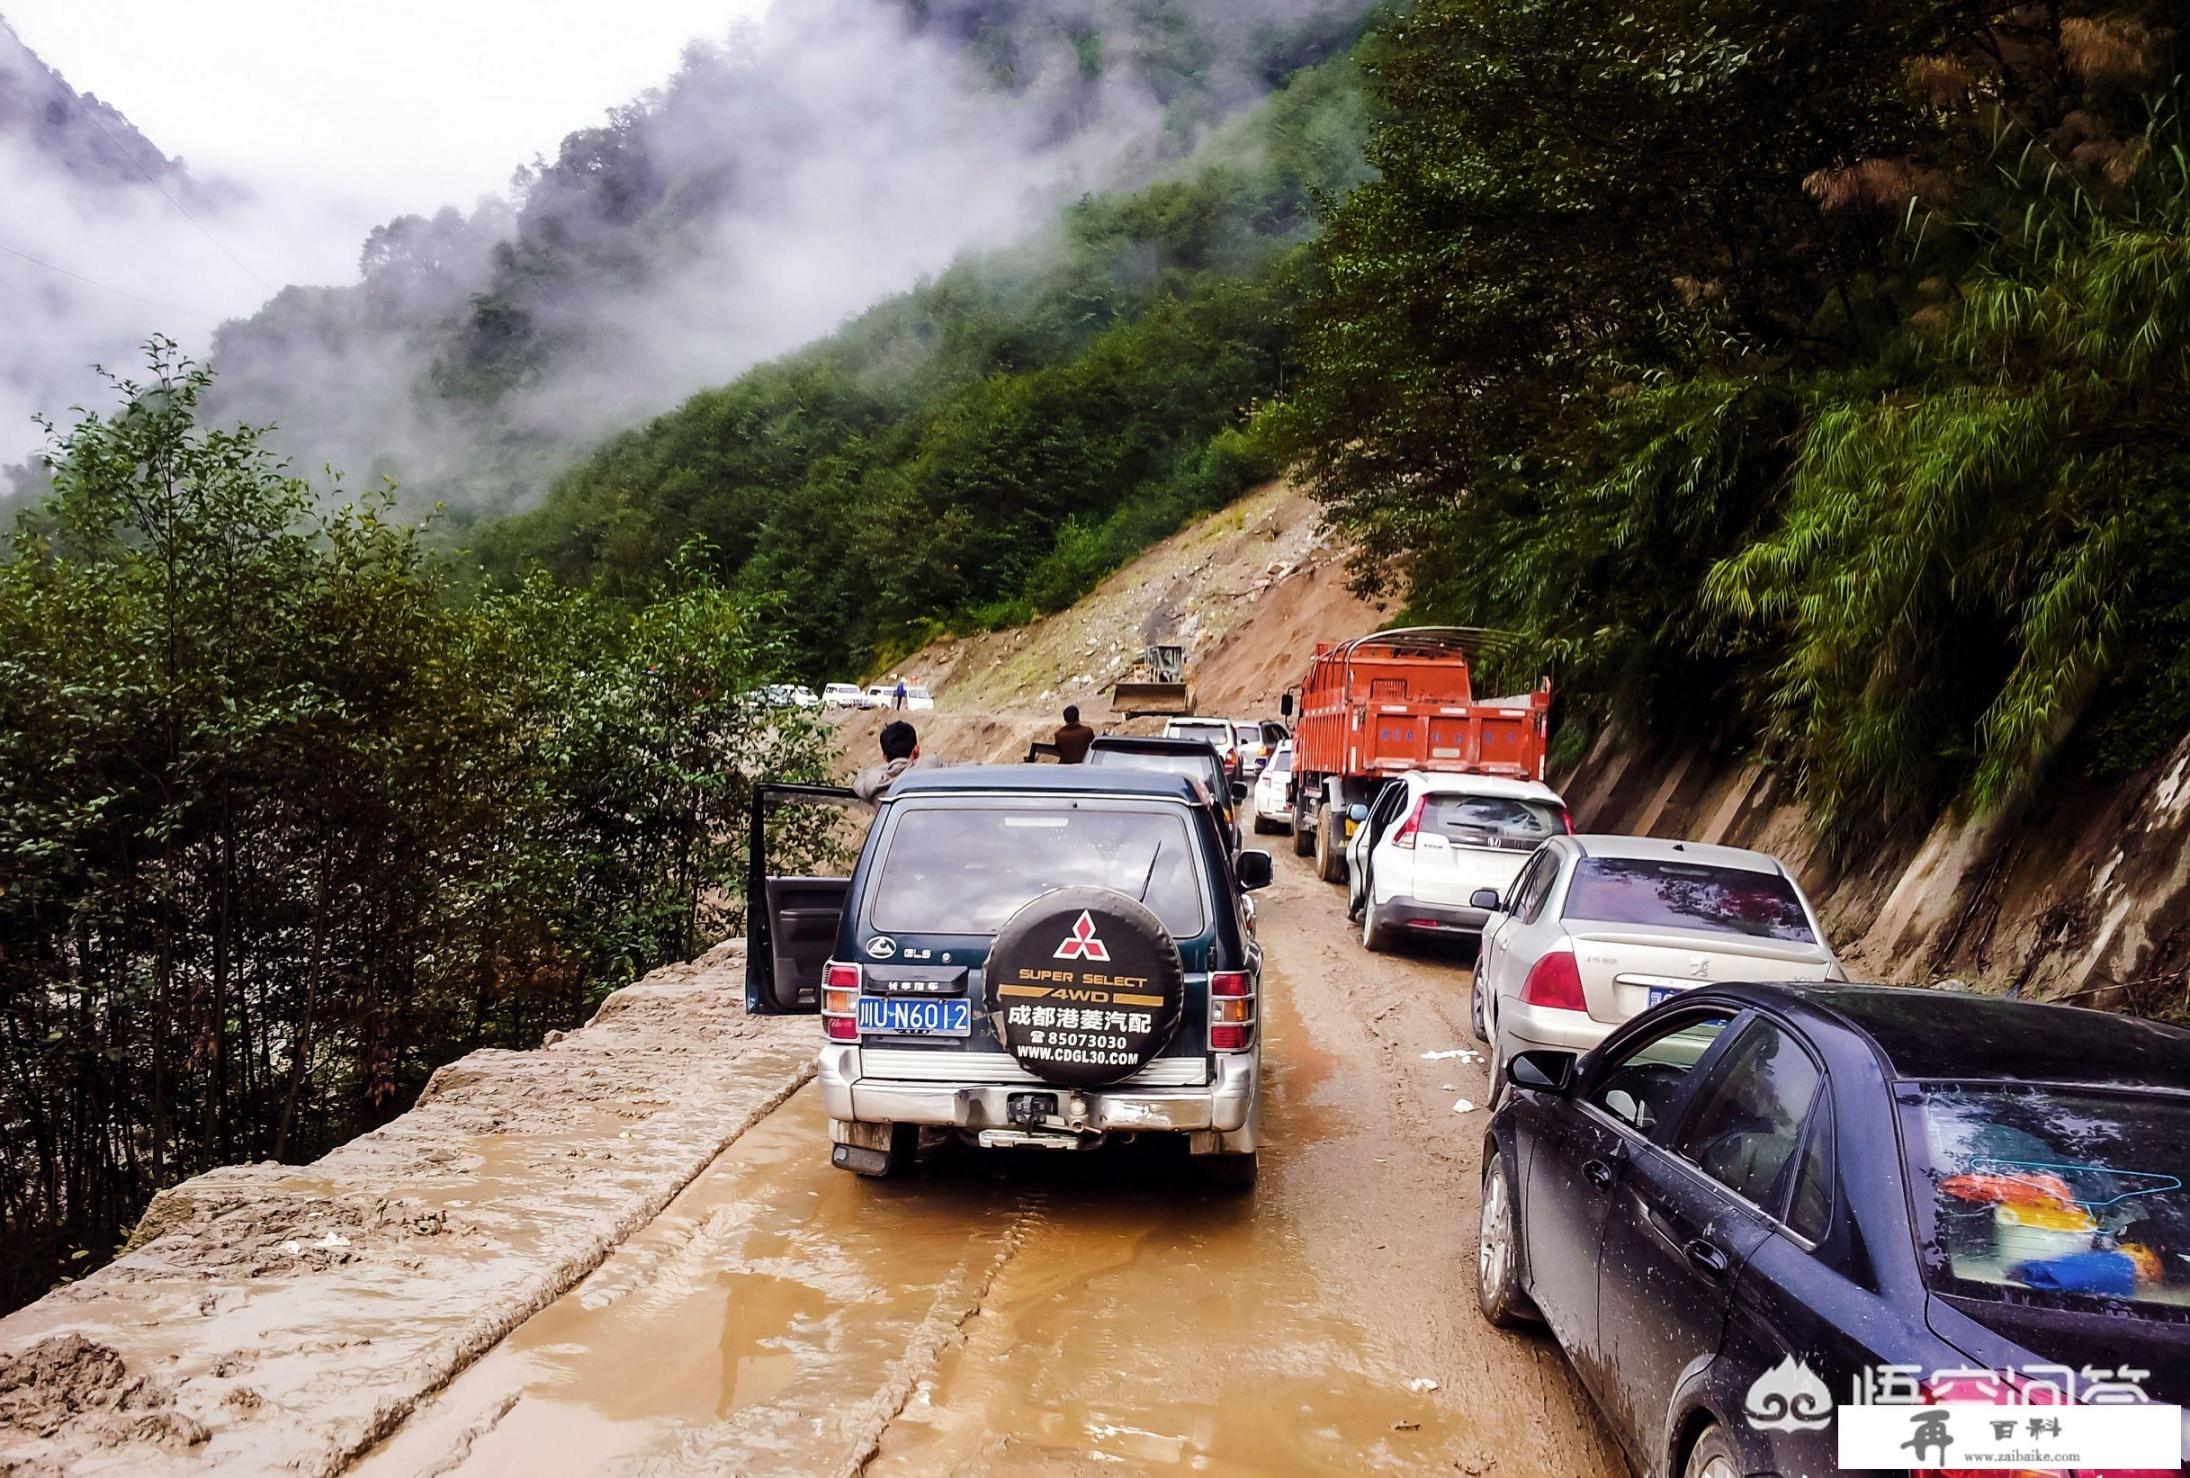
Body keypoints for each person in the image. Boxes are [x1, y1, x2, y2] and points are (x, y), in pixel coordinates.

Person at [854, 720, 922, 806]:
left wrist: (891, 767)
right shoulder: (930, 769)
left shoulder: (874, 783)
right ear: (916, 750)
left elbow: (859, 779)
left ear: (885, 757)